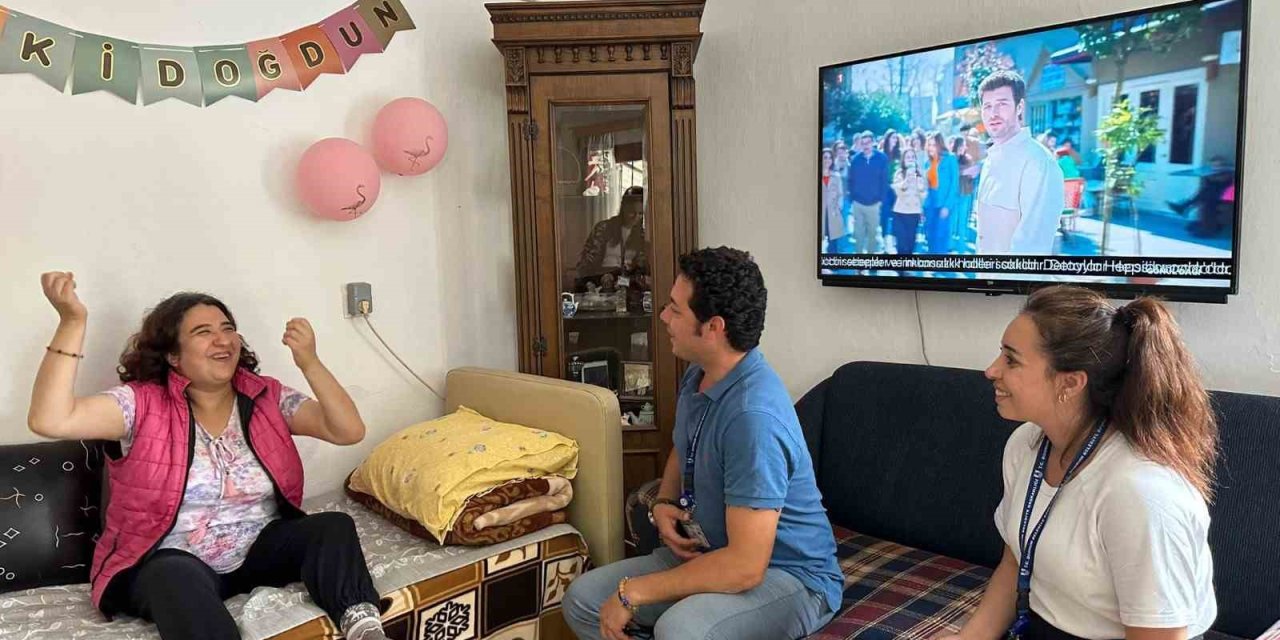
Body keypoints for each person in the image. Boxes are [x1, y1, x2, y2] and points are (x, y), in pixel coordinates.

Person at [27, 272, 387, 640]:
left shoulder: (264, 396)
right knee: (174, 573)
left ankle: (365, 630)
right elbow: (50, 419)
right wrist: (72, 321)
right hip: (169, 561)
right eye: (203, 332)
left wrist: (309, 362)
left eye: (228, 328)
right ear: (173, 355)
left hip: (256, 552)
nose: (223, 339)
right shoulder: (140, 403)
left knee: (332, 527)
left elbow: (348, 430)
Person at [563, 247, 842, 640]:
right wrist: (663, 500)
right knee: (584, 600)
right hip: (711, 552)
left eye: (675, 310)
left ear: (713, 327)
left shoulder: (752, 419)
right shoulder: (699, 374)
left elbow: (745, 566)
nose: (663, 317)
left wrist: (635, 592)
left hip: (787, 575)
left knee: (681, 630)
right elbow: (686, 444)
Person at [935, 285, 1218, 640]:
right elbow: (1016, 559)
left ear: (1070, 383)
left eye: (1011, 360)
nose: (991, 371)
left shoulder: (1140, 493)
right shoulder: (1026, 444)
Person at [974, 71, 1065, 254]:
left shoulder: (1038, 162)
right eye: (987, 106)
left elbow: (1032, 248)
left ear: (1020, 107)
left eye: (1002, 104)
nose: (993, 113)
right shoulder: (991, 158)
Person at [576, 185, 649, 284]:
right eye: (632, 212)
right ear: (624, 208)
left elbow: (642, 269)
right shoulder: (603, 228)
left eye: (640, 214)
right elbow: (586, 263)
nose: (636, 217)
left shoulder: (642, 236)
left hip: (628, 283)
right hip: (599, 282)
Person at [845, 130, 890, 254]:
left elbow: (884, 181)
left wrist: (881, 200)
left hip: (874, 203)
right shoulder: (855, 160)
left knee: (872, 234)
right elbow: (851, 180)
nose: (866, 146)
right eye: (863, 143)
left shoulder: (882, 159)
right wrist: (852, 199)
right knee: (858, 234)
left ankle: (870, 260)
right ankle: (859, 260)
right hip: (858, 203)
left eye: (868, 142)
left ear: (873, 142)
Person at [924, 130, 960, 254]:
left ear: (940, 145)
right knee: (930, 235)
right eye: (929, 145)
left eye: (934, 145)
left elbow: (954, 184)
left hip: (943, 202)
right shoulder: (927, 162)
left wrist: (947, 206)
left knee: (941, 236)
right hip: (930, 203)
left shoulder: (950, 159)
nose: (931, 148)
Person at [890, 148, 928, 255]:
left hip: (914, 213)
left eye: (912, 157)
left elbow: (923, 196)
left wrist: (920, 188)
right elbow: (898, 192)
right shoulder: (899, 173)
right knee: (901, 243)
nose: (910, 159)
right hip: (900, 212)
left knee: (910, 243)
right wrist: (906, 180)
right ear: (903, 160)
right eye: (908, 157)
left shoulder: (920, 175)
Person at [821, 148, 847, 254]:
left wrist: (839, 207)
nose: (827, 160)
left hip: (833, 212)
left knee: (833, 240)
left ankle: (832, 259)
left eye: (829, 158)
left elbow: (840, 194)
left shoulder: (836, 176)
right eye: (825, 158)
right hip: (820, 211)